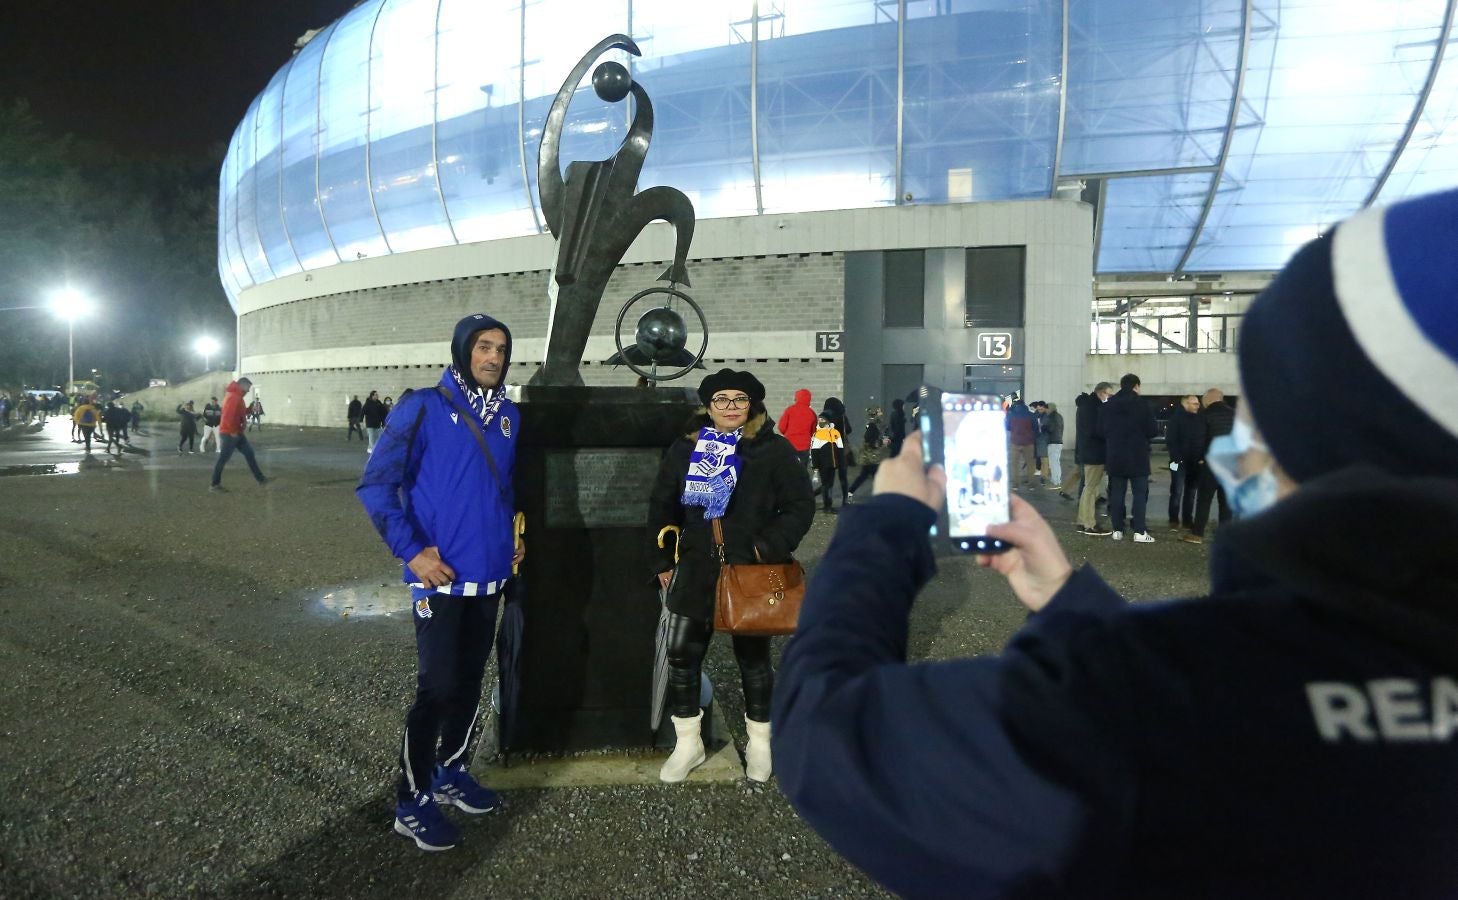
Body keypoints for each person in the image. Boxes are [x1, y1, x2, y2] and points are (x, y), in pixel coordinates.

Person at [774, 186, 1458, 898]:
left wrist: (887, 525)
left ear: (1338, 428)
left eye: (1257, 404)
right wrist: (1072, 609)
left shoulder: (1157, 697)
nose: (1238, 435)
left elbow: (827, 736)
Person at [357, 313, 522, 852]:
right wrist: (412, 552)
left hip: (489, 574)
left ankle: (451, 771)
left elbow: (503, 488)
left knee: (473, 681)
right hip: (439, 578)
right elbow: (377, 485)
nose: (492, 357)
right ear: (461, 351)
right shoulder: (422, 407)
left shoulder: (509, 418)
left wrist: (513, 533)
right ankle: (412, 799)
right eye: (482, 347)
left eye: (500, 348)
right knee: (437, 689)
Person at [648, 368, 814, 785]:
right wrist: (662, 560)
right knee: (682, 652)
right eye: (721, 399)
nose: (730, 408)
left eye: (739, 399)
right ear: (708, 405)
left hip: (750, 567)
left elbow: (799, 505)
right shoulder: (685, 449)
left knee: (754, 661)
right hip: (698, 564)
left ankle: (761, 742)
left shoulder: (772, 450)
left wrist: (766, 546)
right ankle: (689, 742)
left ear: (752, 404)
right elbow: (661, 503)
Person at [1099, 373, 1158, 542]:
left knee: (1117, 494)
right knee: (1140, 494)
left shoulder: (1109, 405)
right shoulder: (1143, 404)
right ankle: (1139, 531)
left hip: (1115, 456)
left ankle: (1117, 529)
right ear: (1136, 386)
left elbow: (1101, 430)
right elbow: (1153, 430)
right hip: (1138, 456)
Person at [1183, 388, 1236, 544]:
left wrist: (1198, 459)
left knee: (1204, 499)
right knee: (1226, 502)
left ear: (1207, 400)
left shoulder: (1204, 416)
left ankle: (1198, 534)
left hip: (1211, 464)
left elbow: (1199, 441)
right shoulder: (1236, 415)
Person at [209, 378, 269, 492]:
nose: (248, 390)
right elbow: (228, 415)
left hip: (236, 432)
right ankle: (214, 485)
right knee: (223, 459)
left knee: (249, 453)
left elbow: (238, 412)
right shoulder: (234, 397)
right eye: (248, 387)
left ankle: (261, 479)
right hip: (230, 433)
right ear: (243, 385)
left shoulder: (236, 396)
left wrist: (249, 410)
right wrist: (232, 432)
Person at [1073, 382, 1114, 534]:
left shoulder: (1087, 405)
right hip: (1094, 453)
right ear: (1101, 393)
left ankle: (1083, 521)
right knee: (1090, 489)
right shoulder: (1092, 407)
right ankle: (1088, 524)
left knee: (1089, 488)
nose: (1109, 398)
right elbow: (1094, 430)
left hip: (1089, 452)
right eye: (1109, 395)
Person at [1164, 394, 1204, 531]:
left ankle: (1187, 520)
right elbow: (1171, 441)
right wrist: (1178, 459)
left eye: (1198, 403)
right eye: (1194, 403)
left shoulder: (1200, 419)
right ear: (1185, 404)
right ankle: (1174, 520)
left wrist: (1200, 458)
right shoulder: (1176, 420)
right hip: (1178, 463)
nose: (1197, 406)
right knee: (1177, 491)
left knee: (1190, 493)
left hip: (1194, 463)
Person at [847, 405, 889, 499]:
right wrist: (882, 442)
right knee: (872, 475)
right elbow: (869, 440)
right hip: (871, 456)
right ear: (875, 413)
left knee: (864, 475)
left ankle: (850, 492)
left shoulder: (874, 423)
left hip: (869, 456)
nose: (881, 413)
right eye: (879, 411)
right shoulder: (872, 424)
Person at [820, 397, 853, 505]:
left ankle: (827, 503)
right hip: (842, 450)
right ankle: (844, 500)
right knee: (843, 477)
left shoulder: (824, 415)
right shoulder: (842, 416)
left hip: (829, 450)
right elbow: (849, 429)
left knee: (828, 479)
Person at [809, 413, 844, 513]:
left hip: (833, 464)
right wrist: (815, 467)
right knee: (826, 485)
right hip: (823, 465)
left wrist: (841, 462)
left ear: (828, 421)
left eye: (823, 419)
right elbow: (814, 451)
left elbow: (840, 449)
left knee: (829, 484)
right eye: (819, 419)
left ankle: (814, 496)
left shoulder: (835, 433)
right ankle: (827, 506)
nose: (820, 421)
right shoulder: (818, 434)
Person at [776, 388, 817, 469]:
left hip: (789, 445)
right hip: (804, 446)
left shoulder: (789, 410)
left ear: (796, 398)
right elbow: (814, 431)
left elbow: (781, 427)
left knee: (789, 469)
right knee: (802, 469)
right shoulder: (812, 413)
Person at [1006, 399, 1038, 489]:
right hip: (1028, 443)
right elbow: (1036, 428)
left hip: (1015, 443)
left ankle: (1015, 485)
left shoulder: (1011, 415)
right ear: (1025, 405)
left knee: (1015, 465)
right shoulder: (1031, 415)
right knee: (1030, 464)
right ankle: (1031, 485)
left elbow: (1007, 427)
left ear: (1016, 406)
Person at [1041, 401, 1065, 488]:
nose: (1045, 410)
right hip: (1058, 441)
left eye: (1046, 408)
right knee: (1056, 462)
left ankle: (1056, 481)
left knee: (1053, 463)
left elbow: (1051, 428)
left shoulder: (1051, 417)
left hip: (1053, 442)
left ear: (1050, 408)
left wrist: (1043, 426)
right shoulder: (1059, 416)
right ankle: (1057, 479)